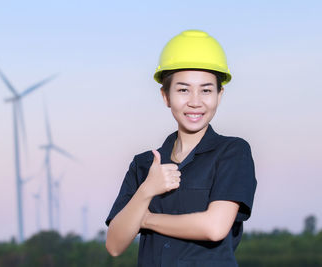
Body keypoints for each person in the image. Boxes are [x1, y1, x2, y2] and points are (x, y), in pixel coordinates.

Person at [105, 29, 257, 267]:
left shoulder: (232, 152)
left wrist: (145, 219)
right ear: (165, 96)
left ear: (220, 94)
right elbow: (114, 245)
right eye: (183, 89)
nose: (195, 101)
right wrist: (147, 190)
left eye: (206, 90)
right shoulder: (144, 164)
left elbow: (214, 227)